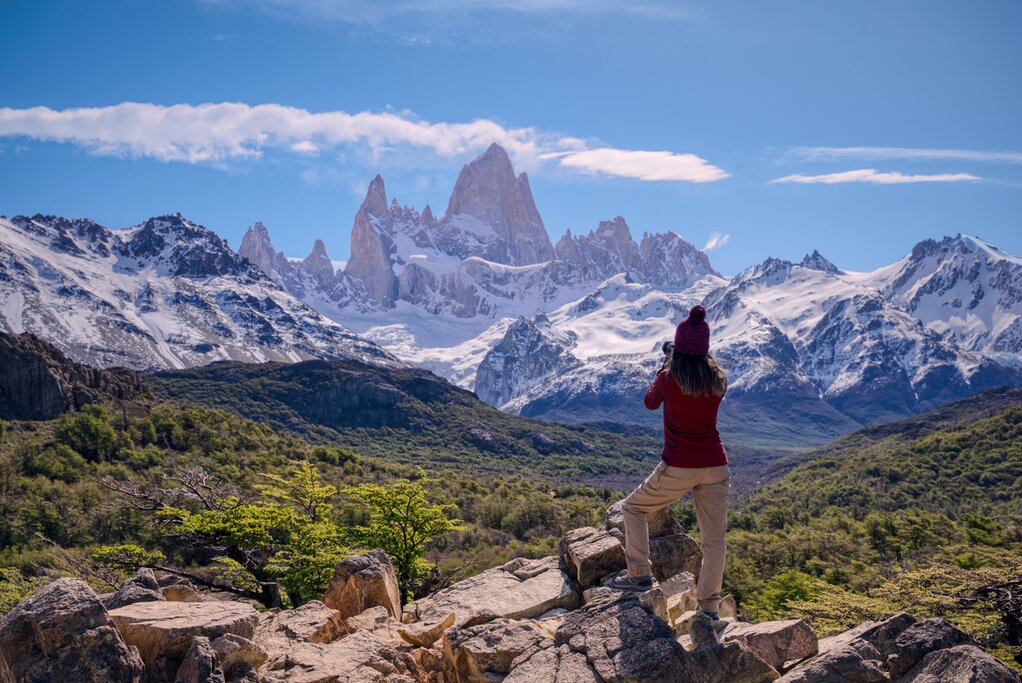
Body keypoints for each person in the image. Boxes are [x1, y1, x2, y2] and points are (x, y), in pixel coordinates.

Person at [609, 304, 730, 623]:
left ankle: (639, 574)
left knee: (633, 508)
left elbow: (650, 403)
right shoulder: (718, 379)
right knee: (714, 542)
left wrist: (665, 365)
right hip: (716, 466)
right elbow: (698, 376)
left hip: (678, 465)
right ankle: (708, 608)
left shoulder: (668, 376)